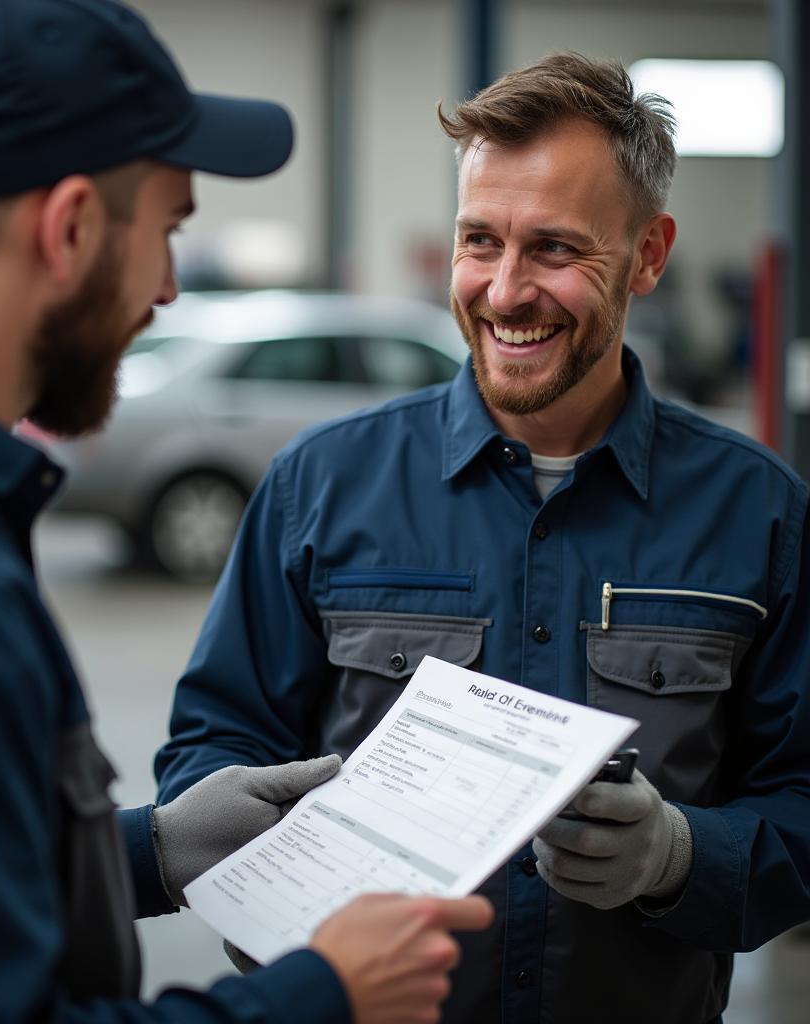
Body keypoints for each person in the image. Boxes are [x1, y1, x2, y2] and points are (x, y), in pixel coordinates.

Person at [0, 1, 495, 1021]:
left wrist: (149, 850)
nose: (166, 288)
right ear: (70, 226)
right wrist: (325, 995)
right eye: (165, 230)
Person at [156, 53, 810, 1024]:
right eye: (479, 240)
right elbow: (214, 743)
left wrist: (680, 855)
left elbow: (799, 801)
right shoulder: (320, 484)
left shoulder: (757, 512)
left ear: (649, 252)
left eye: (553, 248)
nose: (503, 291)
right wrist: (261, 848)